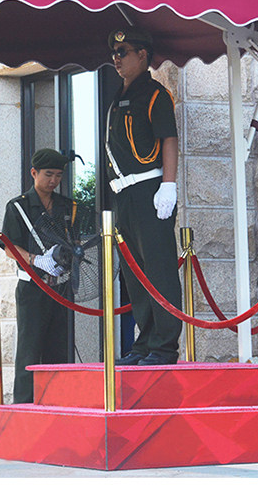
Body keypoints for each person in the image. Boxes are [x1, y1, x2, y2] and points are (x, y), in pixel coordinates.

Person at [105, 28, 183, 366]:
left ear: (142, 55)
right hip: (124, 194)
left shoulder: (155, 95)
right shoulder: (118, 96)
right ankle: (145, 342)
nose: (116, 58)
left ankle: (164, 347)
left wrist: (169, 185)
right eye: (114, 52)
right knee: (135, 274)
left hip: (150, 190)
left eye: (123, 51)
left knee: (158, 269)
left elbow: (168, 139)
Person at [0, 148, 77, 403]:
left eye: (58, 176)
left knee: (60, 349)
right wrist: (36, 260)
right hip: (32, 287)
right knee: (29, 350)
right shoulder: (18, 206)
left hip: (61, 287)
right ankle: (24, 406)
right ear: (34, 173)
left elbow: (75, 240)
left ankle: (59, 403)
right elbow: (9, 246)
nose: (53, 181)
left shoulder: (66, 206)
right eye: (48, 174)